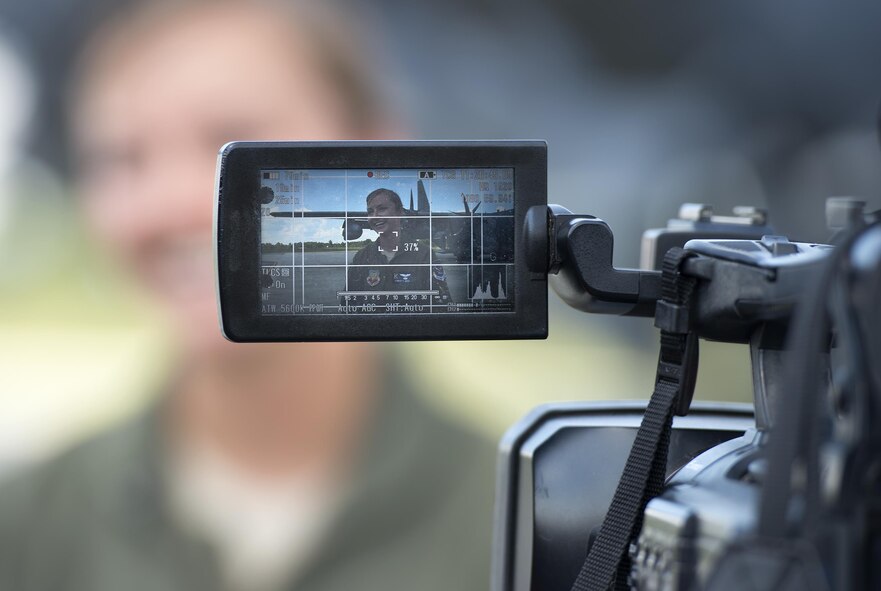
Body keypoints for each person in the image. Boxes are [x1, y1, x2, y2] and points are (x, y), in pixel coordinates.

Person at [0, 2, 494, 591]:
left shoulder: (526, 517)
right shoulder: (31, 520)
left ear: (377, 152)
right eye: (123, 159)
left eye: (231, 141)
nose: (173, 203)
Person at [348, 188, 452, 304]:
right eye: (370, 211)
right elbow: (348, 302)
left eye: (382, 209)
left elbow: (443, 303)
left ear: (400, 212)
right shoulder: (361, 256)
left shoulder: (425, 255)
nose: (375, 216)